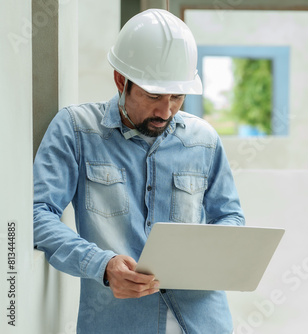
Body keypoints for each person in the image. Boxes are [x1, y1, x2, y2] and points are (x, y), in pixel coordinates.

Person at [33, 9, 244, 334]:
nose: (166, 110)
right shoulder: (76, 131)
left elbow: (229, 217)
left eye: (177, 96)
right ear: (121, 80)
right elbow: (36, 214)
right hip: (116, 323)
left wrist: (210, 251)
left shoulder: (203, 140)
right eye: (153, 96)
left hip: (204, 323)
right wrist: (101, 264)